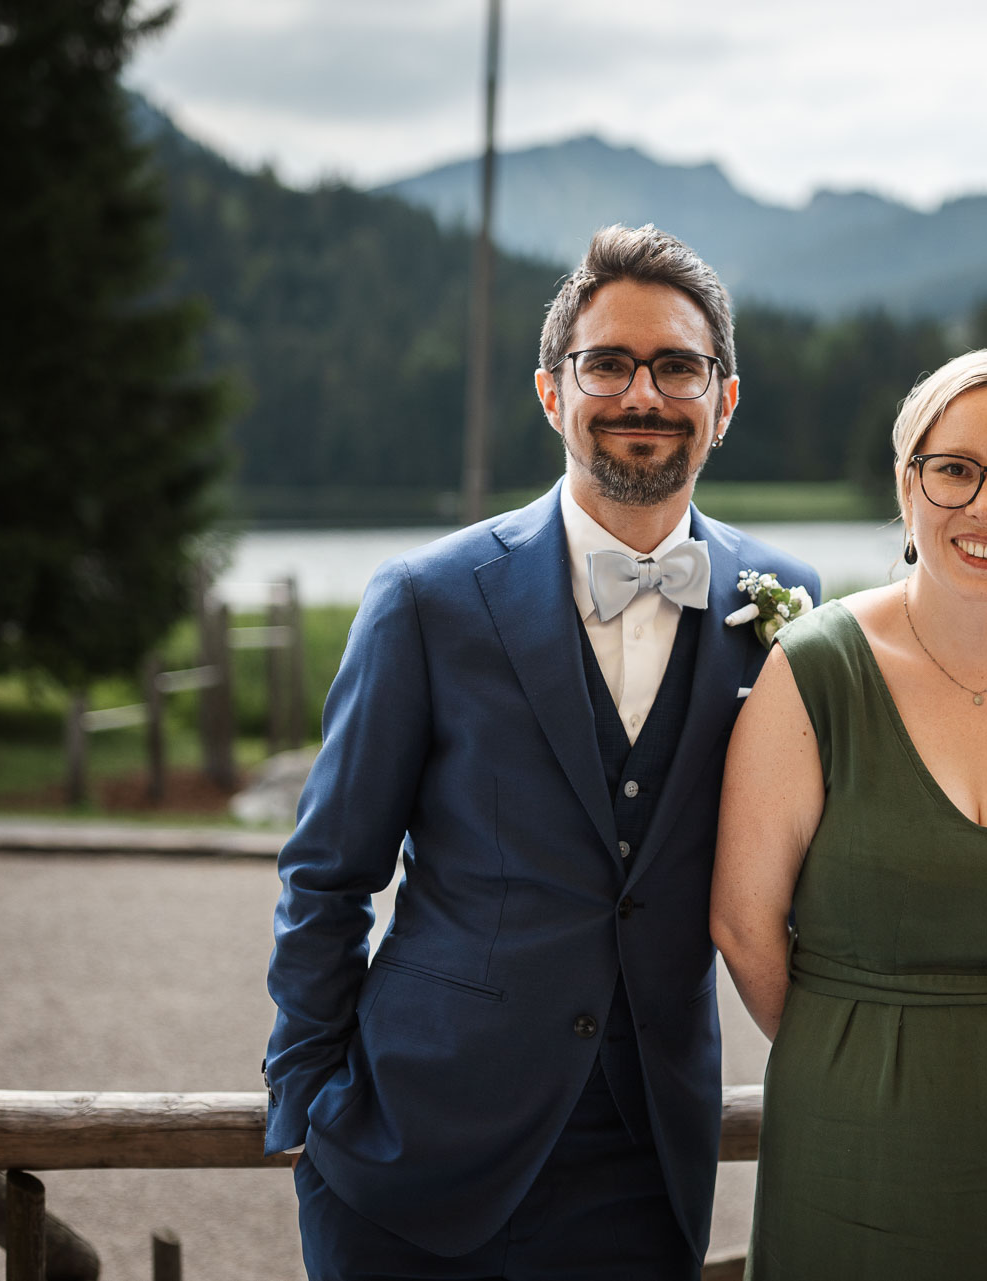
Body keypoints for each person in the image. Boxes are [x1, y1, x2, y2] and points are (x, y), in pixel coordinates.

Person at [263, 224, 820, 1280]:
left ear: (725, 400)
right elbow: (328, 872)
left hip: (646, 1164)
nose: (643, 394)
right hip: (412, 1150)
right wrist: (307, 1102)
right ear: (552, 392)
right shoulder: (425, 600)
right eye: (607, 363)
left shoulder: (792, 605)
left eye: (679, 366)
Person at [710, 343, 987, 1279]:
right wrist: (854, 1040)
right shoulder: (815, 669)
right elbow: (743, 922)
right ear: (907, 485)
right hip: (852, 1140)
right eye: (955, 469)